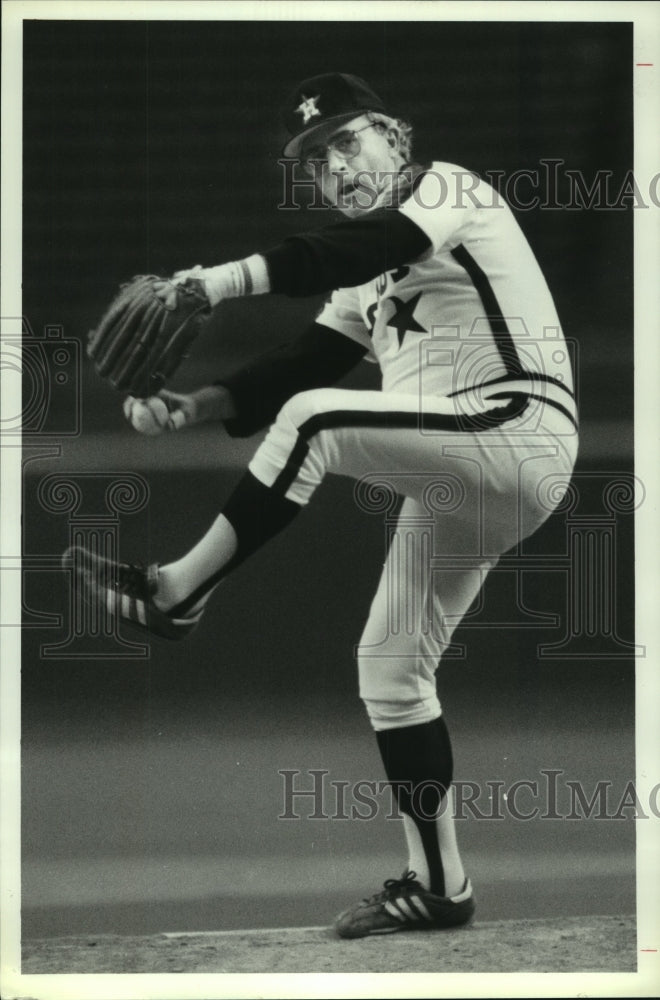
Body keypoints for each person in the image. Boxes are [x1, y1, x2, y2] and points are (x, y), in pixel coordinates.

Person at [64, 73, 578, 938]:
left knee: (314, 422)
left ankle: (178, 591)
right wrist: (199, 405)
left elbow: (351, 252)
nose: (334, 167)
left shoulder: (448, 189)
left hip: (516, 428)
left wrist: (213, 282)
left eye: (347, 142)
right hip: (462, 480)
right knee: (392, 672)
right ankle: (440, 884)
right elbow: (305, 360)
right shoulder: (364, 273)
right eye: (313, 160)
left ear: (395, 137)